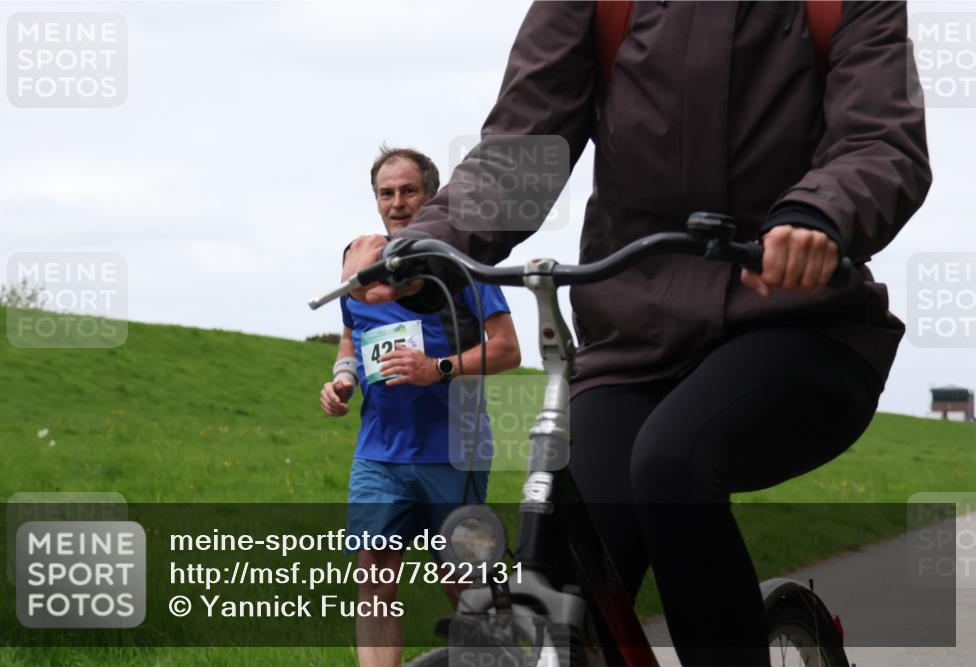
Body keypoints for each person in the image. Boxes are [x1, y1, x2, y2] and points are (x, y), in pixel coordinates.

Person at [341, 3, 931, 666]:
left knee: (672, 460)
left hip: (798, 322)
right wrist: (426, 244)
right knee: (565, 574)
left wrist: (820, 215)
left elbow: (879, 141)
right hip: (633, 346)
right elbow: (521, 151)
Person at [320, 146, 521, 667]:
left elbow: (507, 350)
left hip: (453, 452)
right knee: (373, 576)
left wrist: (438, 368)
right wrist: (343, 378)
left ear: (431, 196)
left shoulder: (459, 266)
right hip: (379, 453)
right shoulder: (361, 269)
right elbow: (351, 336)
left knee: (462, 580)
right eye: (386, 193)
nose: (397, 203)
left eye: (409, 191)